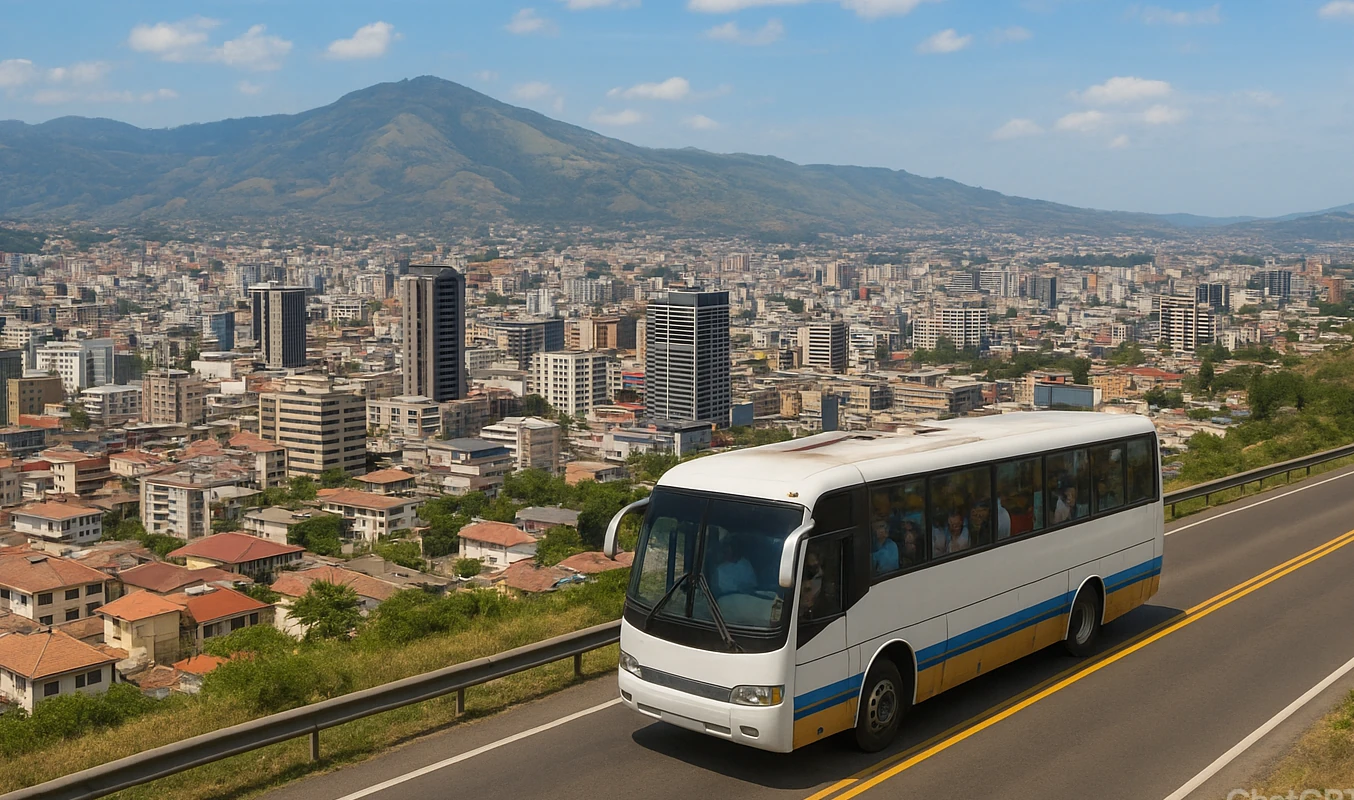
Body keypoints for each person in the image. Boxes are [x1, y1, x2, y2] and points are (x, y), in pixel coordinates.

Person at [799, 550, 825, 620]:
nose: (815, 562)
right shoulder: (801, 578)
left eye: (816, 560)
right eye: (812, 560)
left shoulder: (820, 579)